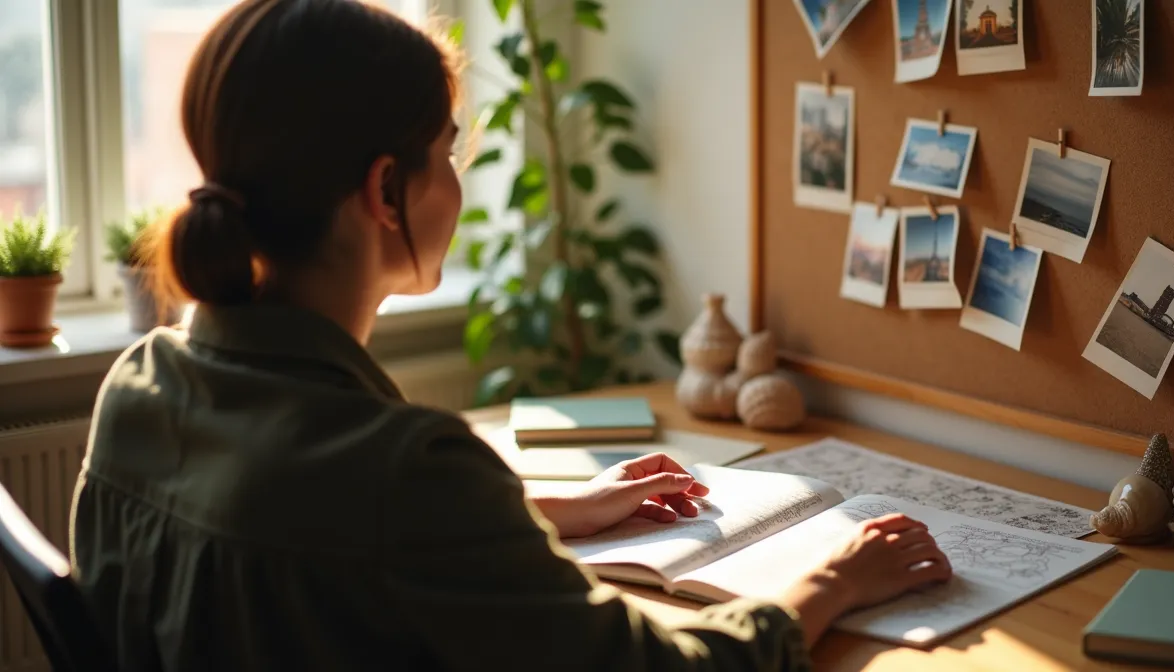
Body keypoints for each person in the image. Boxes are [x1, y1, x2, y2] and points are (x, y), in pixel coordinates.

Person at [68, 1, 953, 670]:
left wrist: (537, 512)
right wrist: (834, 581)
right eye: (449, 153)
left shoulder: (144, 386)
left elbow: (344, 533)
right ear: (385, 194)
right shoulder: (404, 472)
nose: (458, 179)